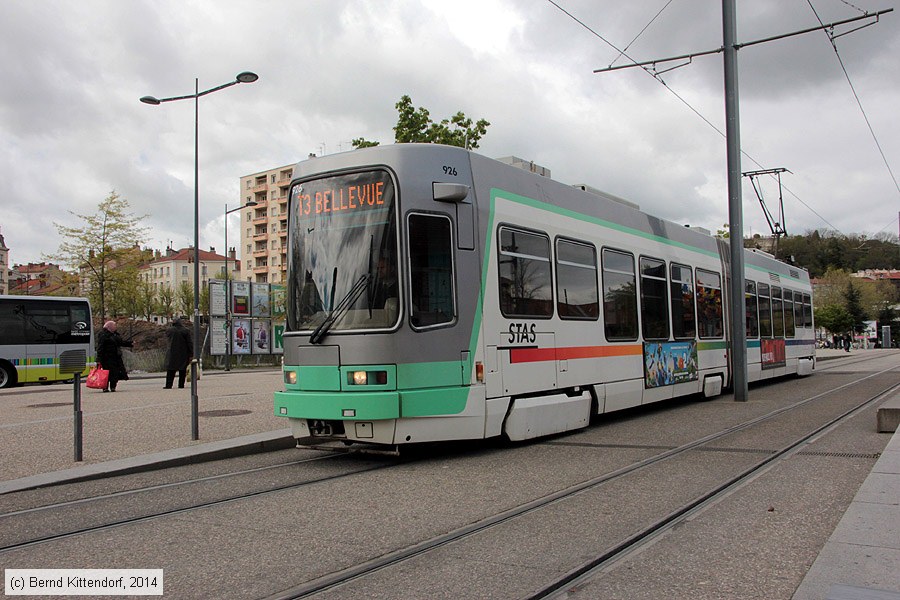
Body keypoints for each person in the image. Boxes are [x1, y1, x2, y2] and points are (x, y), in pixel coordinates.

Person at [95, 320, 132, 392]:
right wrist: (99, 359)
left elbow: (121, 342)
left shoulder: (115, 334)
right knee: (106, 373)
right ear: (109, 327)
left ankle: (113, 386)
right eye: (114, 326)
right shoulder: (103, 335)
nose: (115, 327)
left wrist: (130, 343)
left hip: (116, 357)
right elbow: (100, 347)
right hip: (106, 358)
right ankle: (105, 387)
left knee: (115, 372)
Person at [164, 316, 193, 389]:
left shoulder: (169, 330)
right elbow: (189, 343)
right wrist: (191, 353)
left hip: (172, 352)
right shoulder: (185, 330)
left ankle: (168, 385)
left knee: (171, 370)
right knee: (182, 370)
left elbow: (167, 338)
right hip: (183, 353)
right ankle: (181, 385)